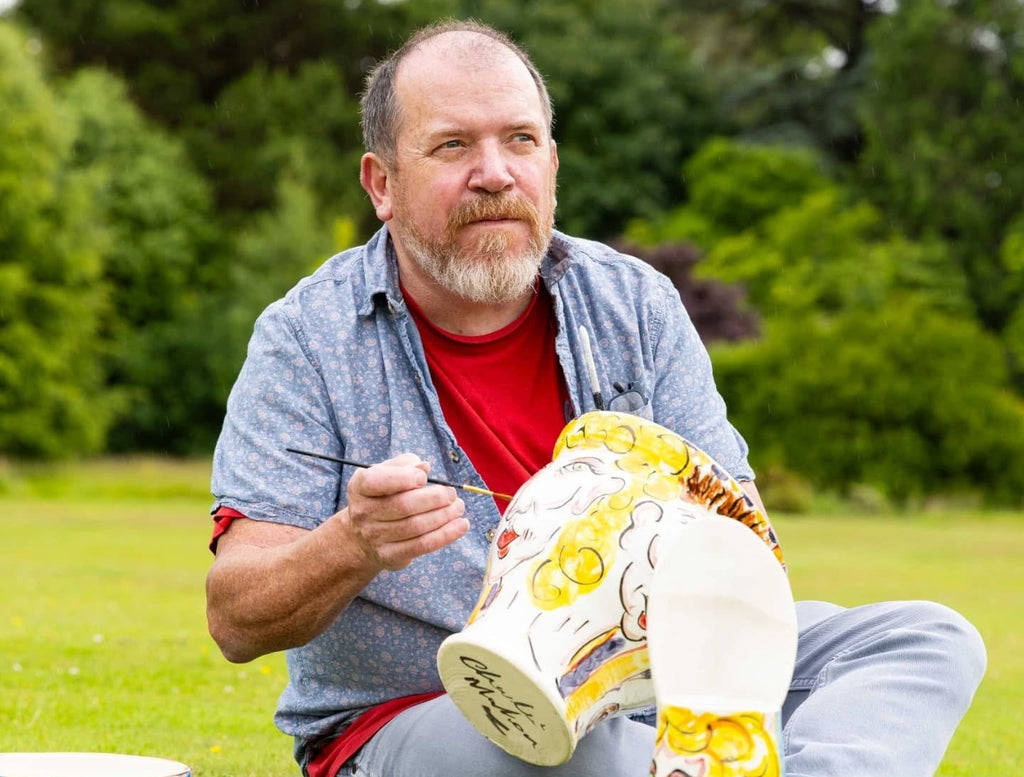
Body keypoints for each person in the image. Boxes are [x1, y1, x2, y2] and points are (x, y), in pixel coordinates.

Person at [205, 19, 986, 777]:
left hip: (642, 685)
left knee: (925, 641)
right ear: (382, 182)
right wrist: (354, 541)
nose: (495, 172)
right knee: (567, 749)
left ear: (551, 161)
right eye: (453, 145)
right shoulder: (307, 337)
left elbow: (740, 529)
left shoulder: (635, 303)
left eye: (520, 139)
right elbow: (234, 616)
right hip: (426, 713)